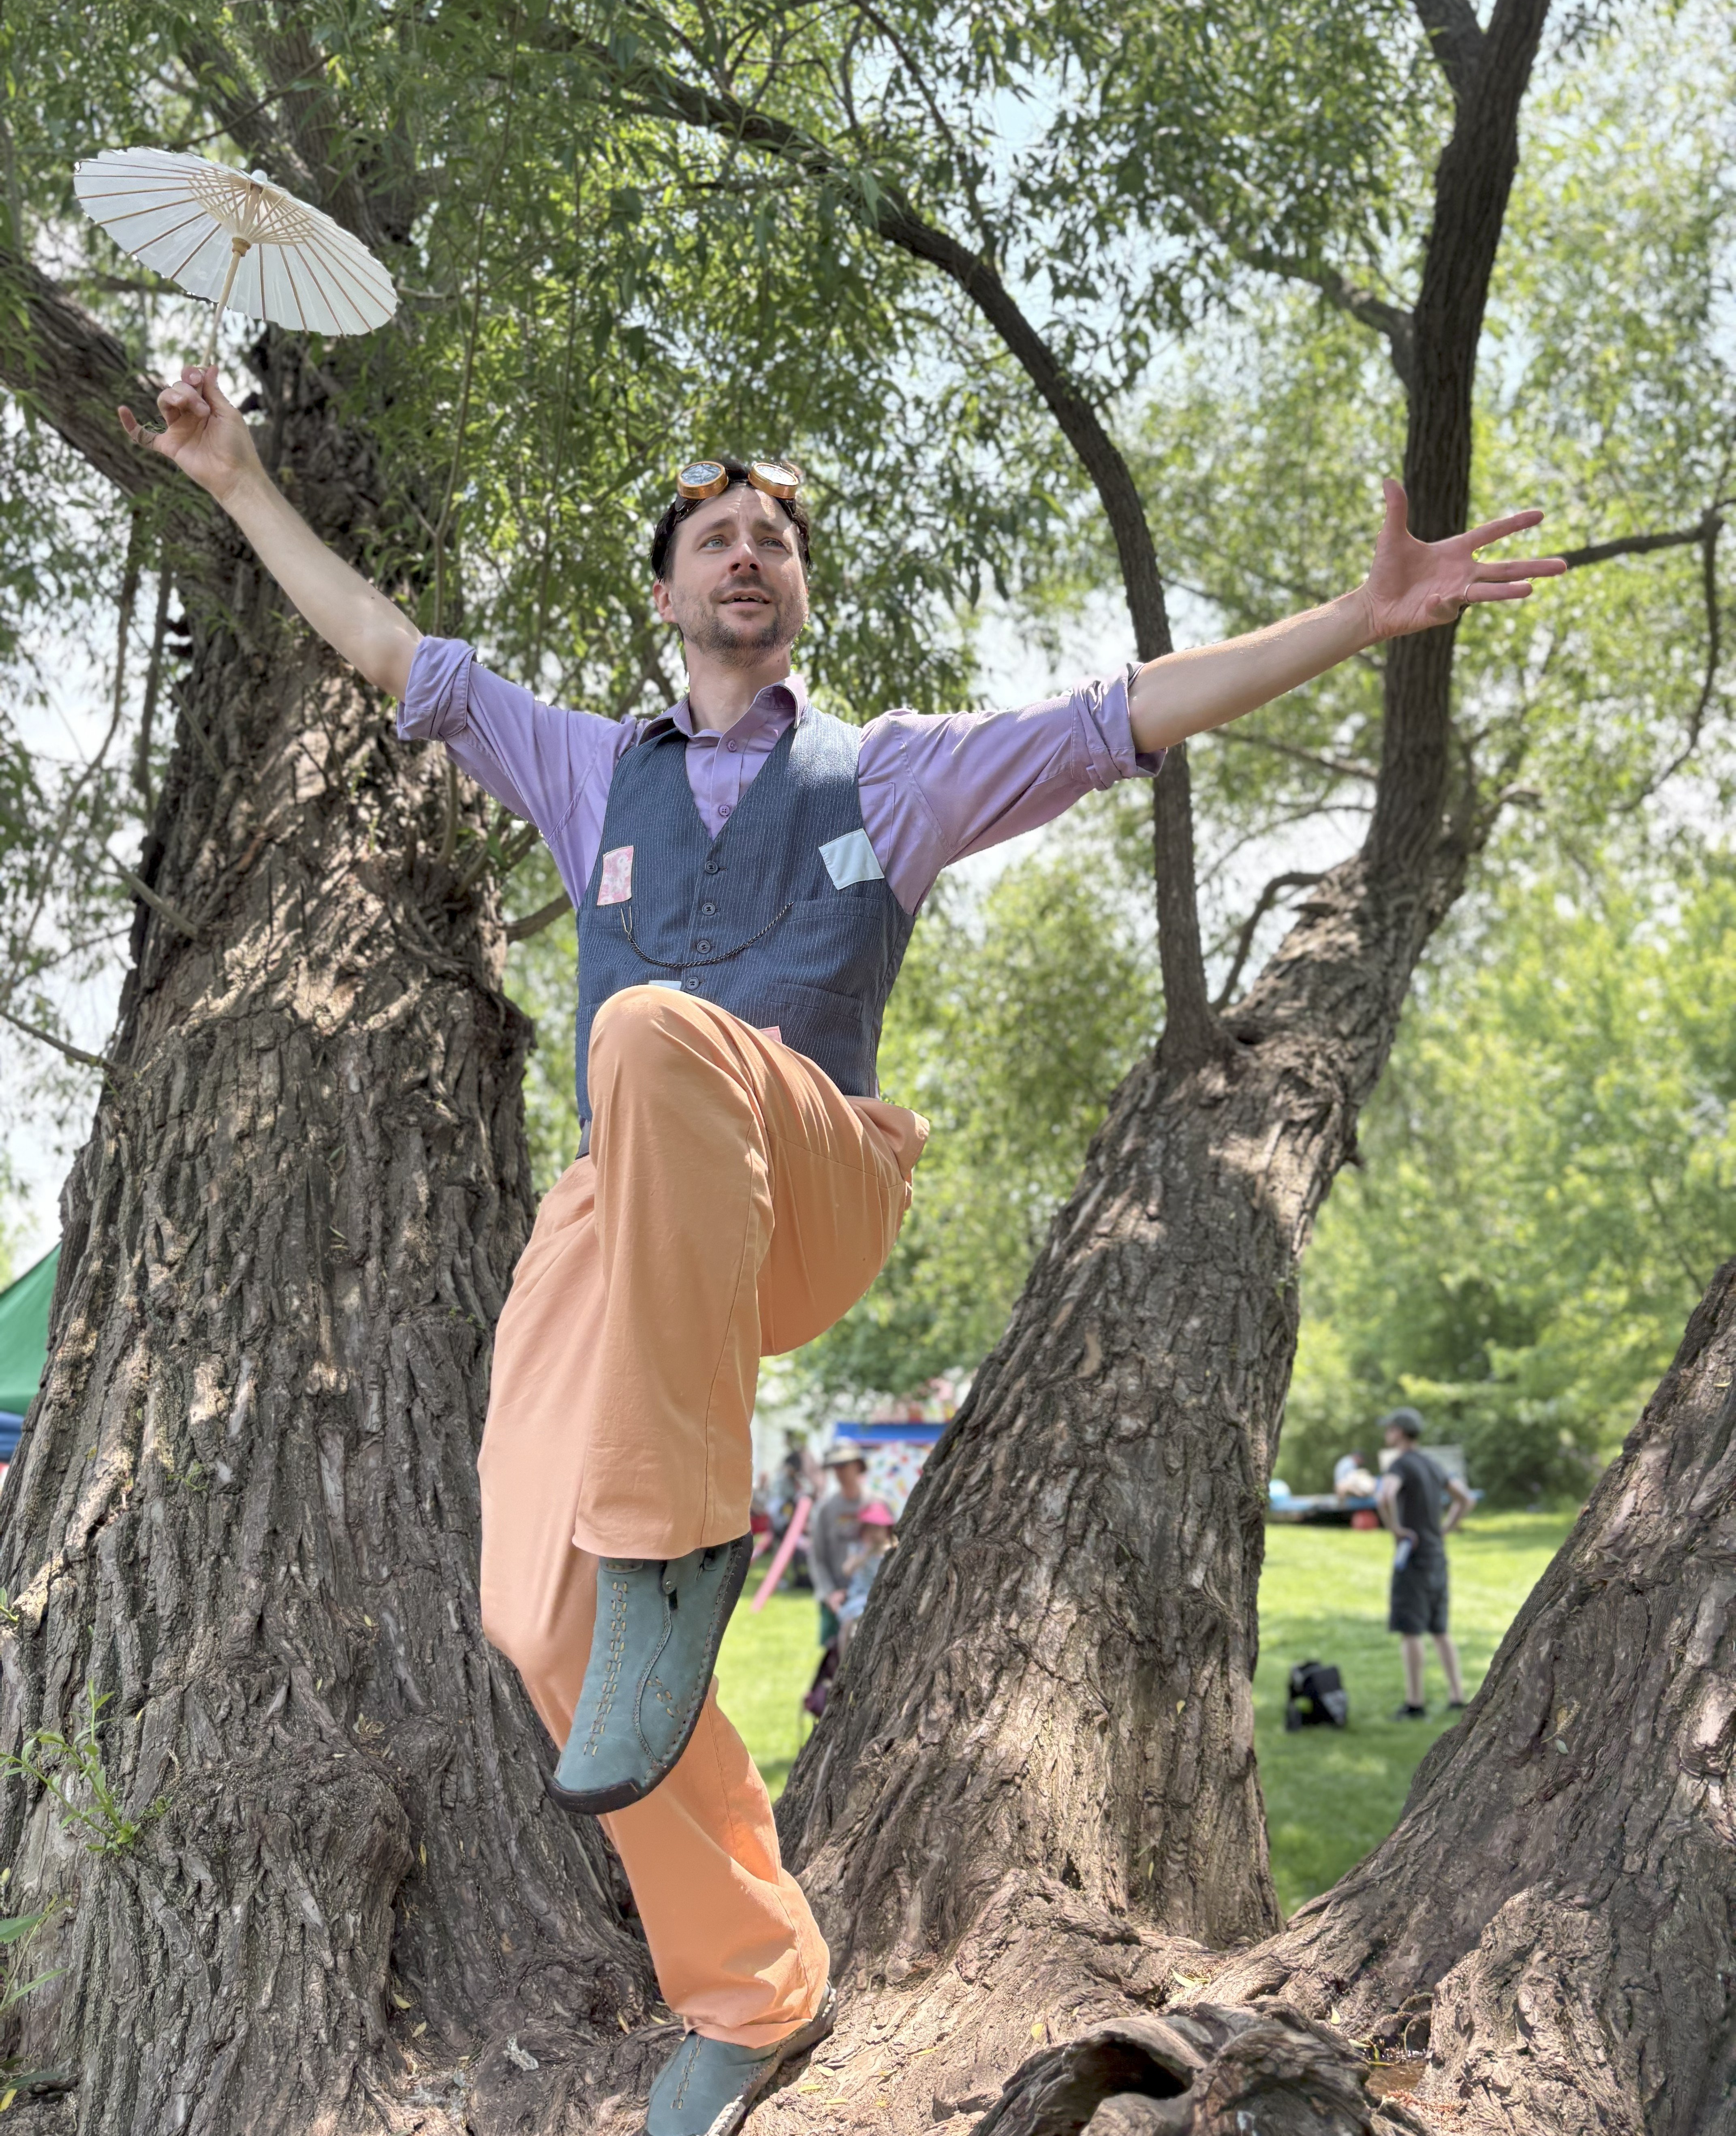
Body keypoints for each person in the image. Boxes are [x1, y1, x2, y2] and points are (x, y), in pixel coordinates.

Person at [120, 360, 1562, 2136]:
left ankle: (676, 1538)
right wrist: (241, 475)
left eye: (776, 539)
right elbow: (390, 651)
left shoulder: (889, 778)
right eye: (716, 535)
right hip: (622, 1215)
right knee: (528, 1608)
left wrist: (1360, 616)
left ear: (796, 598)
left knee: (645, 1030)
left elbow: (1125, 711)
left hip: (805, 1173)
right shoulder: (589, 772)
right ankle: (749, 1981)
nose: (749, 551)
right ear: (665, 593)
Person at [1377, 1406, 1475, 1718]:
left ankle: (1415, 1703)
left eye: (1389, 1428)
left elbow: (1384, 1497)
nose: (1386, 1433)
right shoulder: (1434, 1465)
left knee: (1412, 1631)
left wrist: (1395, 1529)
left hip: (1414, 1558)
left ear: (1399, 1432)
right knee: (1440, 1629)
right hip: (1437, 1556)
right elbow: (1466, 1499)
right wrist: (1445, 1529)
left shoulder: (1401, 1465)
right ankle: (1457, 1696)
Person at [807, 1440, 869, 1645]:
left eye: (845, 1465)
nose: (840, 1471)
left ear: (858, 1466)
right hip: (835, 1598)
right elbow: (817, 1558)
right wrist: (830, 1593)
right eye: (836, 1467)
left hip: (870, 1596)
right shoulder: (825, 1510)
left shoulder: (876, 1505)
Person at [837, 1500, 896, 1654]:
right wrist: (865, 1554)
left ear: (887, 1531)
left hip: (881, 1598)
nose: (873, 1534)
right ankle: (843, 1660)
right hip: (860, 1596)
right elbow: (847, 1570)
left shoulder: (890, 1552)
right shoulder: (858, 1550)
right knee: (850, 1625)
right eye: (869, 1529)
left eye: (878, 1529)